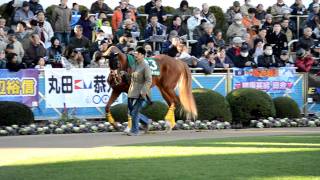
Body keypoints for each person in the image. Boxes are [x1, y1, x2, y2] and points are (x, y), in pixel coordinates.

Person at [127, 46, 152, 136]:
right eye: (135, 54)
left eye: (137, 54)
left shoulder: (145, 66)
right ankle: (146, 121)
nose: (135, 55)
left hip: (141, 93)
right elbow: (132, 77)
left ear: (142, 55)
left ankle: (135, 131)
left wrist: (143, 91)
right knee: (131, 112)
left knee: (134, 112)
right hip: (132, 92)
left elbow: (149, 80)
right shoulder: (135, 65)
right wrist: (124, 74)